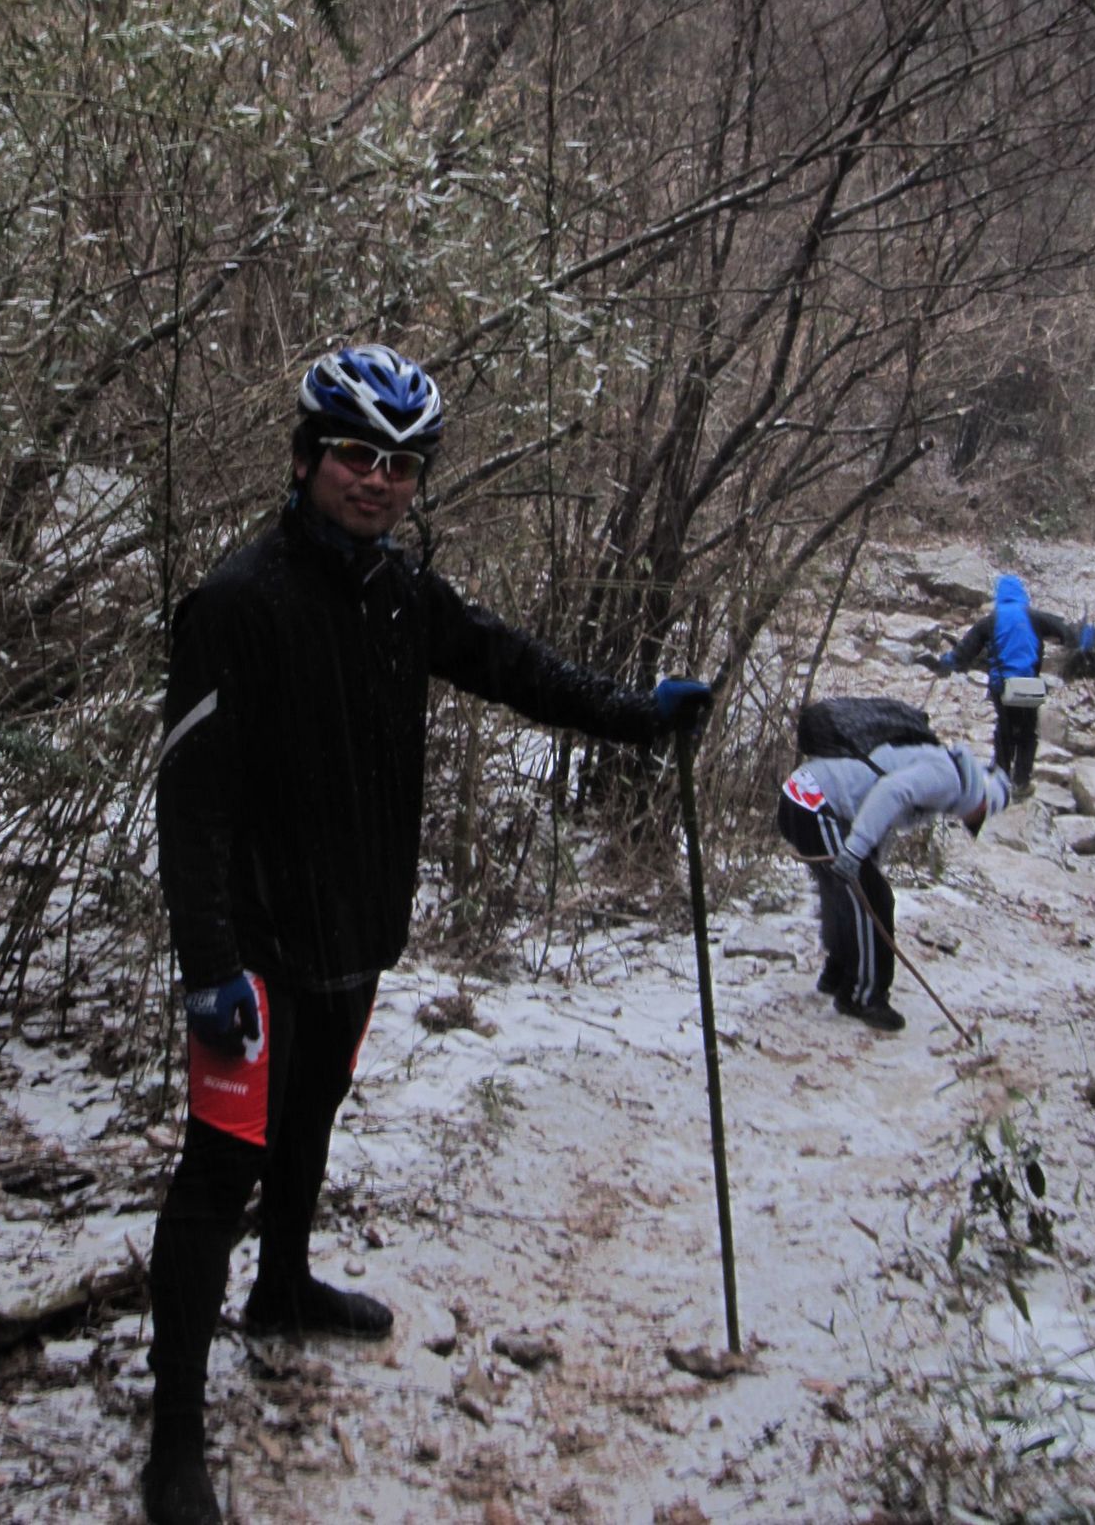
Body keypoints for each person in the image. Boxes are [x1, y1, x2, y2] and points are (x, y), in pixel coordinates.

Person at [145, 343, 713, 1524]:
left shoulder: (401, 591)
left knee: (310, 1124)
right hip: (253, 945)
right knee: (220, 1171)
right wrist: (205, 965)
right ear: (305, 460)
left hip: (357, 924)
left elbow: (510, 667)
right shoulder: (234, 601)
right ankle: (175, 1437)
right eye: (355, 454)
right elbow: (189, 801)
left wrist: (632, 715)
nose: (378, 480)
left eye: (401, 463)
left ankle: (287, 1288)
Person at [776, 737, 1010, 1033]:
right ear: (984, 801)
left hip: (802, 796)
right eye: (979, 816)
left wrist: (866, 857)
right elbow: (890, 792)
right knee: (873, 901)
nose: (970, 821)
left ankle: (838, 974)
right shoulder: (949, 779)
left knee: (851, 891)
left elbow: (885, 814)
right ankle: (863, 996)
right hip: (815, 802)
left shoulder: (947, 774)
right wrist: (856, 850)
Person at [924, 573, 1079, 795]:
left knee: (1004, 730)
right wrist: (1087, 639)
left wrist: (942, 665)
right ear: (1021, 595)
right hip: (1029, 684)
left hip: (1002, 685)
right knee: (1027, 733)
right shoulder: (1034, 617)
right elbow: (1067, 632)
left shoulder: (990, 621)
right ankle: (1021, 782)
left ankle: (1001, 778)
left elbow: (964, 652)